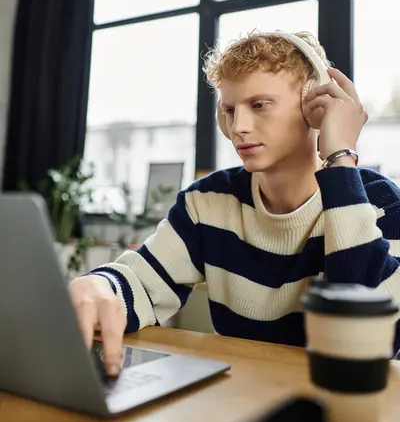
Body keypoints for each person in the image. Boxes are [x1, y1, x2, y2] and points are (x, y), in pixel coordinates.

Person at [69, 31, 400, 375]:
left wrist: (340, 156)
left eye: (259, 105)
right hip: (238, 402)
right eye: (229, 109)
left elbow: (366, 340)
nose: (238, 126)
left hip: (346, 408)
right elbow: (141, 282)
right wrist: (98, 286)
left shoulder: (379, 204)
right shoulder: (207, 201)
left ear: (316, 107)